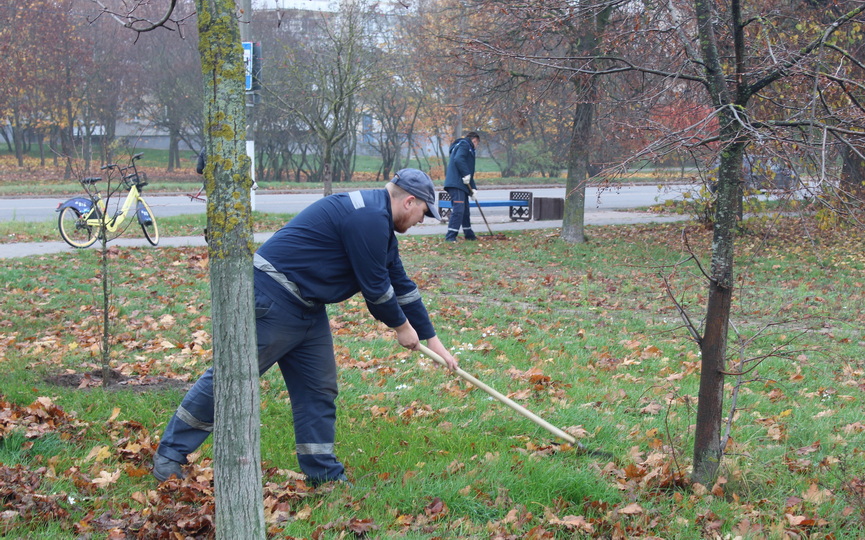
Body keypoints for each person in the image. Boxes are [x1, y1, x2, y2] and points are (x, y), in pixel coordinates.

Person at [152, 169, 459, 486]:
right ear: (410, 201)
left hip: (307, 306)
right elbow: (377, 288)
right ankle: (170, 455)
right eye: (424, 212)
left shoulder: (378, 222)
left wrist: (433, 341)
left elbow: (402, 286)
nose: (422, 220)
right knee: (232, 378)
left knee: (318, 389)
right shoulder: (367, 217)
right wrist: (400, 327)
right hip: (272, 296)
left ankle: (322, 473)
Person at [443, 131, 481, 242]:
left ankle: (469, 234)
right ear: (474, 140)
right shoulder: (465, 144)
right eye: (477, 144)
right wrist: (466, 174)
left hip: (461, 184)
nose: (476, 146)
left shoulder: (464, 146)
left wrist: (473, 189)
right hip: (457, 184)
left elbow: (468, 171)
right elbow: (459, 159)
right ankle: (450, 236)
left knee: (465, 210)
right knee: (459, 209)